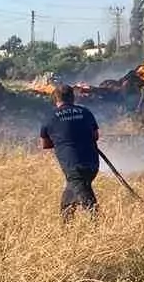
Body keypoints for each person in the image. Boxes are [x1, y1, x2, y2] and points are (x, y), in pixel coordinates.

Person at [39, 84, 100, 217]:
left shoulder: (50, 117)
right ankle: (66, 229)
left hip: (73, 166)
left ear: (55, 99)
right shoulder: (86, 112)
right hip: (93, 164)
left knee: (87, 201)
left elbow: (45, 144)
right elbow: (95, 136)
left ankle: (99, 226)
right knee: (67, 203)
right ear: (73, 98)